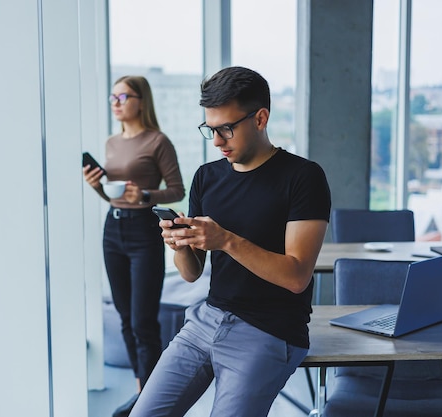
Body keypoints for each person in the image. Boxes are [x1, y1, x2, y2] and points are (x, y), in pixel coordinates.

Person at [129, 66, 332, 417]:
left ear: (260, 118)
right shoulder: (206, 177)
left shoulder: (303, 177)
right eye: (211, 130)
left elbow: (297, 276)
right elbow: (192, 273)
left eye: (226, 129)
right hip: (208, 318)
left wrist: (225, 240)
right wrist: (178, 245)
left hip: (269, 329)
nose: (218, 141)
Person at [82, 75, 185, 417]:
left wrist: (144, 195)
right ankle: (143, 392)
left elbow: (176, 190)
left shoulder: (158, 141)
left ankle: (155, 399)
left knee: (143, 321)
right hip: (113, 230)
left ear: (141, 100)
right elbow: (113, 196)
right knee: (125, 318)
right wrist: (97, 186)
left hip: (144, 231)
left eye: (123, 96)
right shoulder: (112, 143)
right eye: (112, 96)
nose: (115, 102)